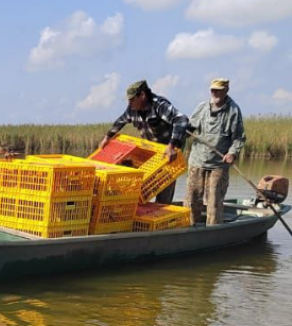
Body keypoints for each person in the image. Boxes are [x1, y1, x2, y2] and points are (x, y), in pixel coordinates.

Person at [98, 80, 189, 204]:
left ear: (142, 95)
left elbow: (182, 120)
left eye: (132, 100)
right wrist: (107, 137)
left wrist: (171, 146)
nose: (129, 103)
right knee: (144, 184)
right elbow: (121, 121)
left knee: (164, 184)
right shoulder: (132, 108)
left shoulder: (159, 105)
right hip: (151, 149)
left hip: (168, 151)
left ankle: (161, 211)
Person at [185, 78, 245, 225]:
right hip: (197, 160)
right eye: (213, 90)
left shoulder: (233, 110)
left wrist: (232, 153)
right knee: (192, 199)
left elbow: (238, 137)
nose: (215, 93)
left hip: (219, 163)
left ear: (226, 91)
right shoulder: (202, 107)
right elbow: (189, 128)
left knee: (214, 201)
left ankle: (213, 231)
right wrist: (182, 131)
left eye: (218, 90)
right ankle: (190, 227)